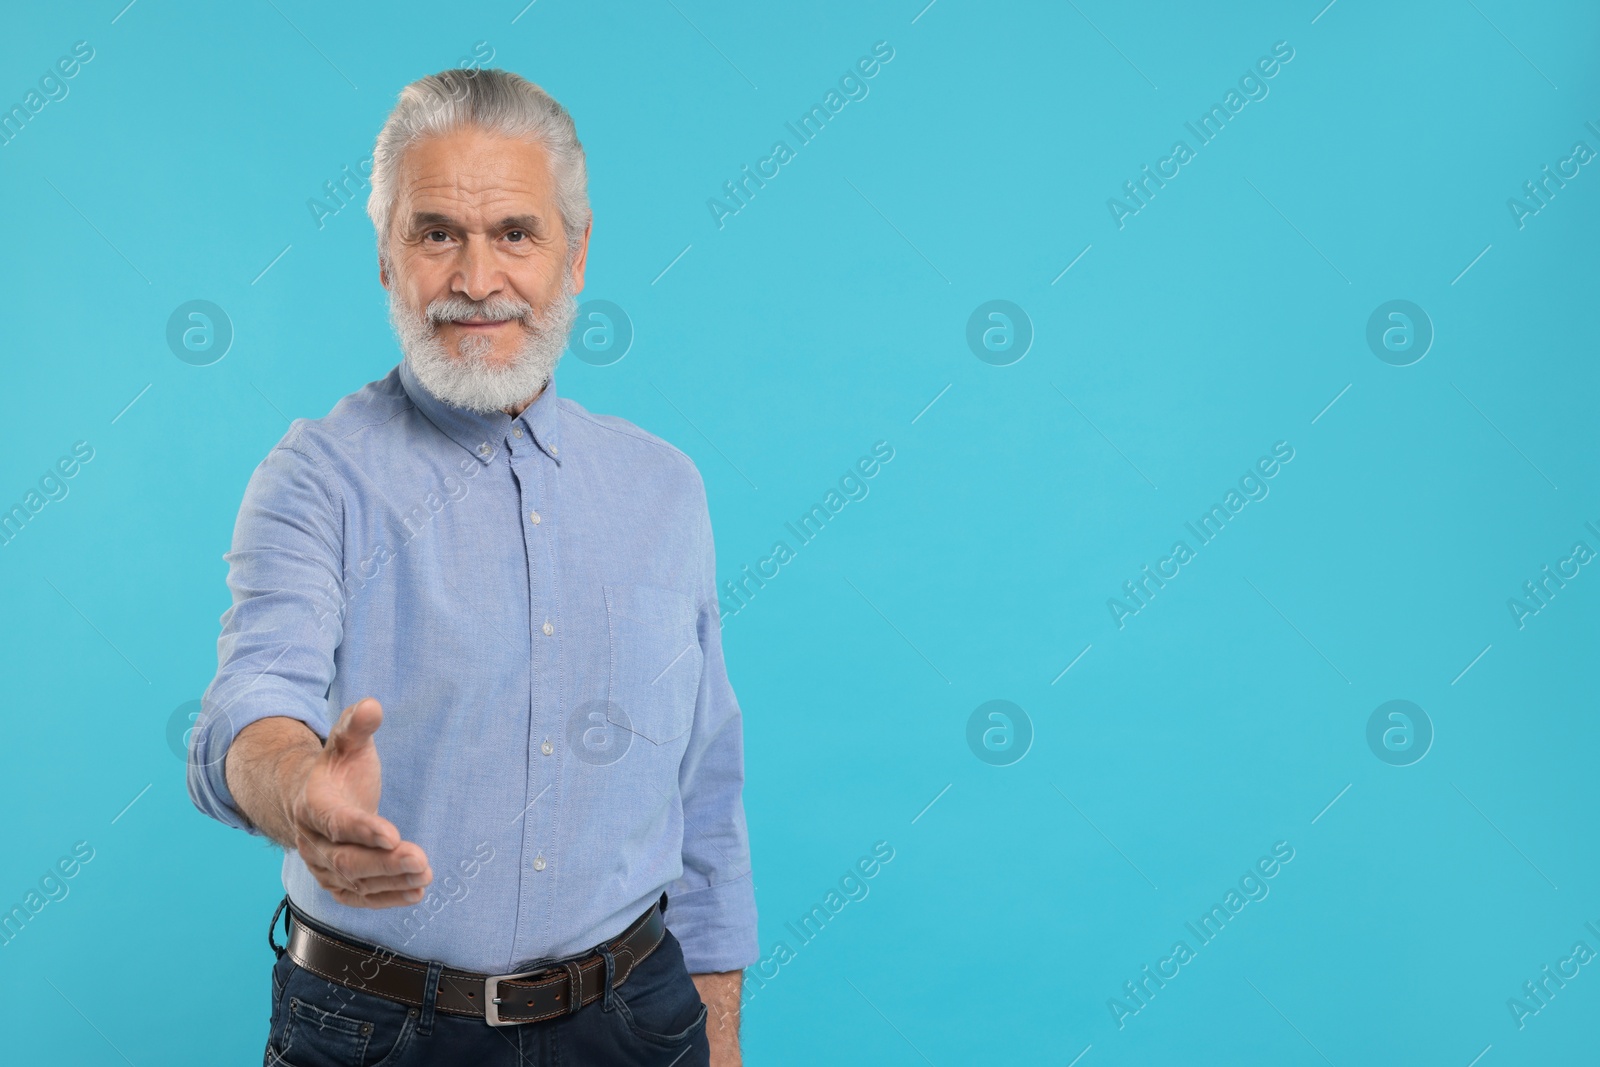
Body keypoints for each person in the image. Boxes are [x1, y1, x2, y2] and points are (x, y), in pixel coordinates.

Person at [187, 66, 756, 1066]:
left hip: (636, 1018)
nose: (477, 279)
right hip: (374, 1029)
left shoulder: (666, 489)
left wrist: (718, 1037)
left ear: (575, 256)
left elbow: (704, 790)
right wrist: (303, 791)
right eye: (437, 232)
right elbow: (249, 702)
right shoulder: (314, 476)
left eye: (515, 235)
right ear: (385, 258)